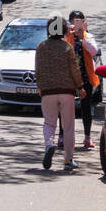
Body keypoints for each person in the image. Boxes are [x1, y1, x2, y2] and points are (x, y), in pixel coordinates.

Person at [35, 15, 85, 171]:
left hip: (48, 91)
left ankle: (49, 145)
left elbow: (38, 70)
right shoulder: (67, 48)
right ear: (63, 30)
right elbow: (74, 69)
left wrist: (40, 87)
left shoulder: (41, 47)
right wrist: (80, 87)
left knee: (49, 123)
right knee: (68, 125)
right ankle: (68, 160)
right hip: (66, 92)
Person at [65, 11, 100, 150]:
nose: (77, 24)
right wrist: (69, 34)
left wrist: (82, 38)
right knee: (66, 108)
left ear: (84, 23)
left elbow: (94, 51)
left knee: (86, 108)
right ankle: (63, 136)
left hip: (85, 77)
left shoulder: (88, 37)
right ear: (70, 22)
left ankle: (87, 137)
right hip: (68, 78)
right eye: (74, 21)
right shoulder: (66, 37)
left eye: (80, 21)